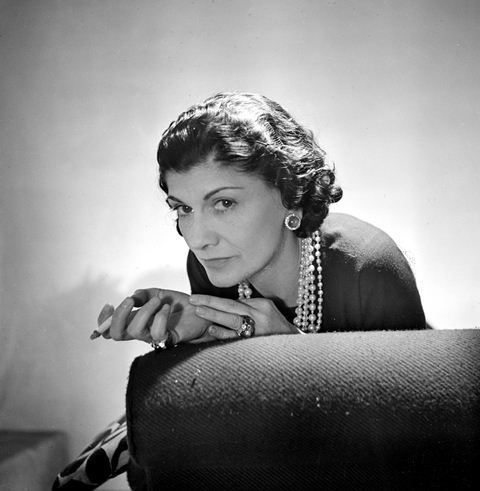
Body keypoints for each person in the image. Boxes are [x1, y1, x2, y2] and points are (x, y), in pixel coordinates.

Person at [53, 92, 426, 489]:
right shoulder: (213, 266)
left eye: (224, 203)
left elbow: (418, 438)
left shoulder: (367, 265)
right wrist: (196, 339)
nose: (198, 238)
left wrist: (294, 354)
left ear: (290, 194)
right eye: (183, 208)